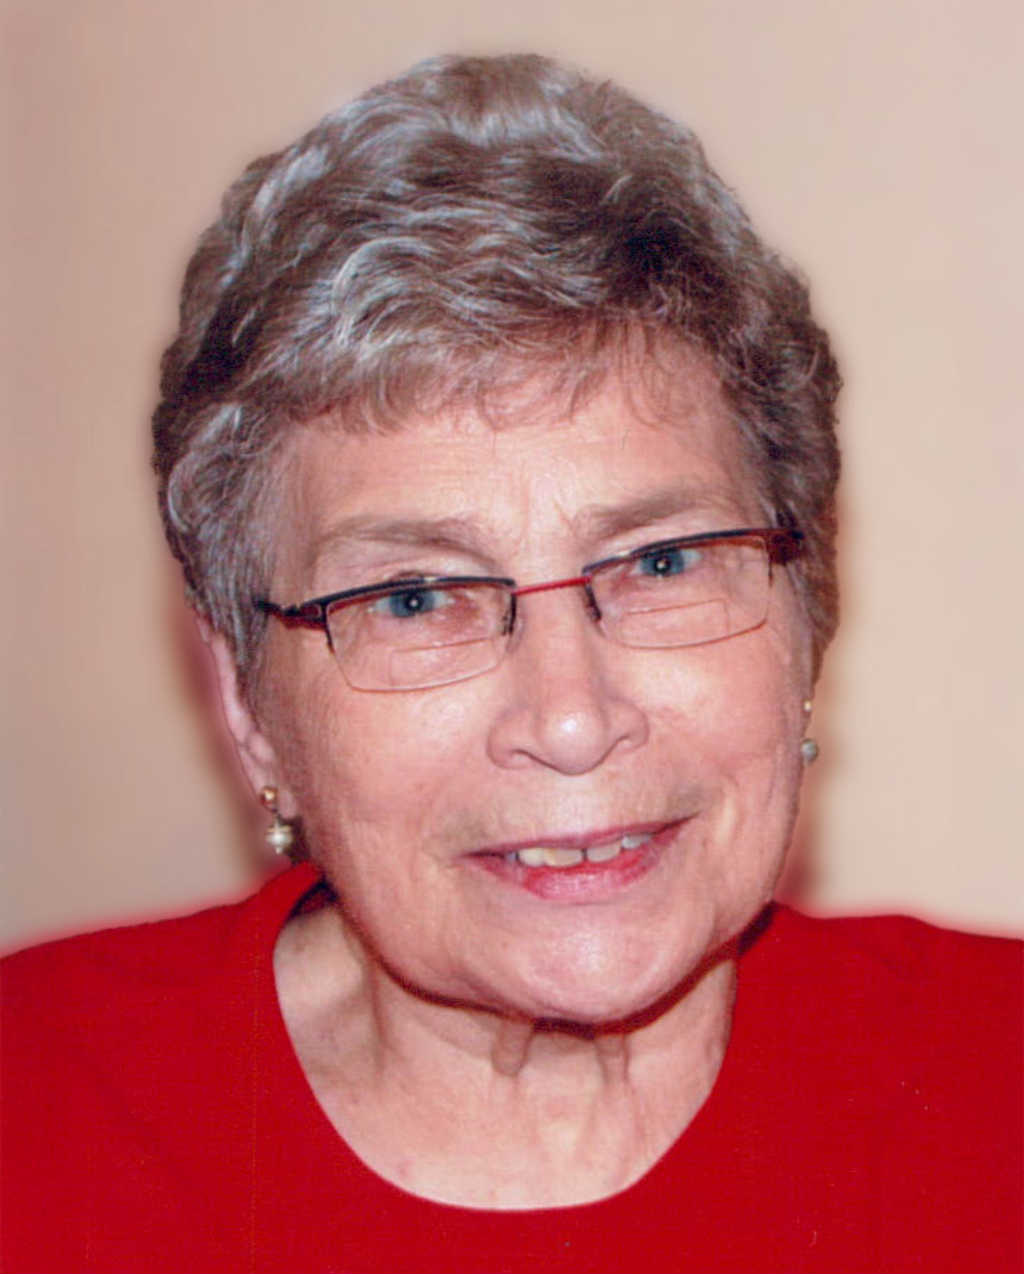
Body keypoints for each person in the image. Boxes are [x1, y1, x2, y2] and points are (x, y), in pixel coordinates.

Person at [2, 53, 1020, 1274]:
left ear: (808, 616)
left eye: (660, 561)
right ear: (249, 704)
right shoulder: (39, 1119)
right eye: (414, 595)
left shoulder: (990, 1085)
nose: (571, 717)